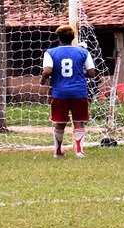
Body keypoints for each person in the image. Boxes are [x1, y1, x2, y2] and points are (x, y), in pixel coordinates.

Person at [40, 25, 95, 158]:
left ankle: (58, 151)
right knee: (79, 121)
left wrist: (43, 80)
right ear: (73, 38)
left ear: (58, 38)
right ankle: (79, 151)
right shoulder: (83, 52)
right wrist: (80, 73)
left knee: (60, 123)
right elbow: (92, 73)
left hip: (59, 93)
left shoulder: (50, 52)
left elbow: (47, 70)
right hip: (79, 92)